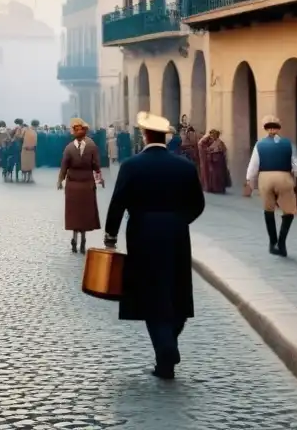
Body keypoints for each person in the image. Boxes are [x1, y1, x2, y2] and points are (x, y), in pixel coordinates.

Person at [104, 111, 205, 381]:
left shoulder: (132, 165)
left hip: (142, 233)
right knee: (176, 288)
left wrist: (110, 236)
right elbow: (198, 204)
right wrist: (180, 220)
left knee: (150, 293)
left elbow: (118, 203)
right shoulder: (185, 166)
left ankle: (166, 349)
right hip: (176, 234)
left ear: (145, 135)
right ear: (166, 136)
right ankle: (168, 348)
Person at [245, 115, 297, 257]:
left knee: (268, 210)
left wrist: (249, 180)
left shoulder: (260, 144)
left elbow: (253, 165)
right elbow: (295, 166)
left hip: (265, 177)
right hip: (284, 176)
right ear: (278, 129)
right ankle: (281, 243)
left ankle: (272, 242)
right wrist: (295, 175)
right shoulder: (288, 144)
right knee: (288, 211)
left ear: (266, 129)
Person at [57, 118, 102, 254]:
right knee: (81, 214)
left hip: (77, 184)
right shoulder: (90, 146)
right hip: (83, 183)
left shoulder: (70, 148)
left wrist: (60, 180)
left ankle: (77, 238)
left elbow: (64, 166)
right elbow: (96, 165)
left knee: (77, 213)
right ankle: (80, 238)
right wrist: (99, 178)